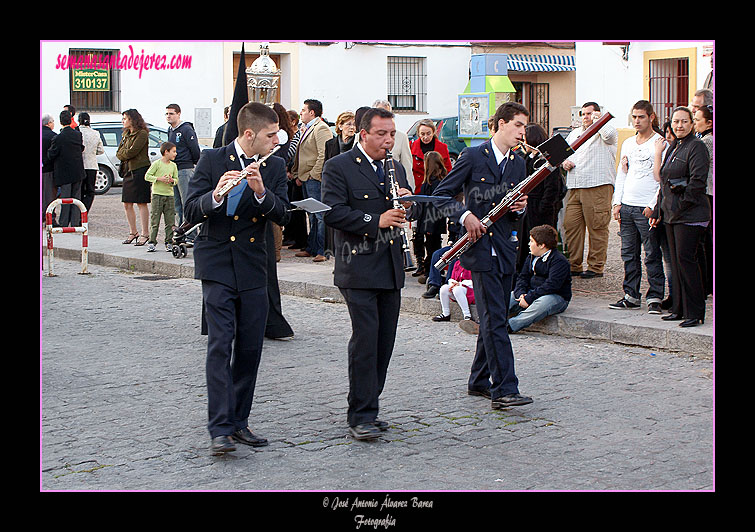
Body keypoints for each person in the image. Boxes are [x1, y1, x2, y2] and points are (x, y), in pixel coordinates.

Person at [183, 101, 289, 455]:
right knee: (220, 343)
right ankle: (220, 428)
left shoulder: (274, 165)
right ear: (249, 134)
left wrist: (261, 193)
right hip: (216, 263)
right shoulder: (213, 159)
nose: (276, 140)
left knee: (249, 347)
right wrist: (215, 195)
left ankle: (239, 421)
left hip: (253, 266)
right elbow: (191, 208)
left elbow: (284, 214)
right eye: (270, 135)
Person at [432, 101, 533, 409]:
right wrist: (465, 217)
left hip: (505, 249)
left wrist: (521, 208)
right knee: (494, 321)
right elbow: (441, 195)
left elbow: (515, 212)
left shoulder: (518, 162)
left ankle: (478, 380)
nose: (521, 132)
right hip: (479, 249)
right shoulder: (474, 156)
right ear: (501, 124)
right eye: (517, 125)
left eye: (524, 127)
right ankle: (504, 388)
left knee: (495, 317)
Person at [321, 107, 412, 441]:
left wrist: (407, 203)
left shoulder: (395, 167)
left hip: (389, 266)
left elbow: (403, 209)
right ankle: (360, 414)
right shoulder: (339, 166)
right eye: (381, 134)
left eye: (391, 134)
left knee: (384, 340)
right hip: (357, 266)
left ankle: (370, 403)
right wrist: (375, 222)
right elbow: (332, 212)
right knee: (366, 338)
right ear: (363, 134)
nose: (388, 141)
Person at [650, 107, 710, 328]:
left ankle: (695, 312)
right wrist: (659, 210)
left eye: (684, 122)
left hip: (690, 215)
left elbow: (697, 184)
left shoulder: (697, 147)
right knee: (675, 263)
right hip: (671, 215)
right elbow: (664, 182)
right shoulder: (675, 145)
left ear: (692, 124)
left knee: (687, 262)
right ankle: (679, 309)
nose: (679, 126)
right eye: (676, 122)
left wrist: (679, 206)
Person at [609, 100, 665, 314]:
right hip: (628, 205)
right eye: (634, 117)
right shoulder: (628, 143)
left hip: (646, 206)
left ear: (651, 117)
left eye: (641, 117)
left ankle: (655, 296)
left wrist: (653, 205)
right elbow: (622, 174)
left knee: (651, 253)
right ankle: (631, 294)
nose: (637, 121)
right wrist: (617, 202)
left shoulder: (660, 143)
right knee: (629, 254)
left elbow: (662, 180)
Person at [562, 102, 617, 278]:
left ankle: (595, 266)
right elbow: (564, 154)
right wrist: (564, 163)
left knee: (597, 227)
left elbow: (609, 136)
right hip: (575, 185)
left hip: (598, 185)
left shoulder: (606, 130)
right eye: (583, 114)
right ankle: (573, 264)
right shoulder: (574, 134)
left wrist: (599, 122)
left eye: (590, 114)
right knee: (571, 226)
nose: (586, 117)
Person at [508, 224, 571, 333]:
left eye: (531, 241)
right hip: (531, 292)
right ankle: (490, 321)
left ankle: (510, 326)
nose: (529, 244)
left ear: (542, 245)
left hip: (556, 296)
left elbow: (551, 285)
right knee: (508, 298)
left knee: (542, 304)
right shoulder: (531, 256)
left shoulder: (559, 261)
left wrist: (529, 298)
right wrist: (521, 293)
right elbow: (523, 277)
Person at [410, 119, 453, 276]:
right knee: (418, 231)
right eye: (422, 134)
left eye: (428, 133)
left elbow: (448, 169)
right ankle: (420, 262)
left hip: (434, 191)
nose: (425, 137)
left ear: (434, 132)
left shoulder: (442, 148)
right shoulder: (413, 146)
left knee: (433, 232)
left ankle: (432, 262)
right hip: (418, 190)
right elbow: (409, 166)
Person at [292, 98, 333, 262]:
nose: (301, 113)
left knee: (320, 215)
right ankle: (311, 247)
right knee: (311, 214)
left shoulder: (321, 128)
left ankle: (322, 250)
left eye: (303, 110)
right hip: (305, 177)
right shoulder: (306, 128)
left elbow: (323, 154)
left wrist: (313, 174)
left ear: (312, 112)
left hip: (313, 178)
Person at [324, 111, 357, 257]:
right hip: (334, 188)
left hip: (352, 187)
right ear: (340, 125)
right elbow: (326, 166)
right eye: (348, 124)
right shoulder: (330, 144)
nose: (352, 127)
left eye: (354, 124)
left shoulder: (358, 143)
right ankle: (336, 254)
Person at [117, 109, 152, 246]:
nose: (123, 121)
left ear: (132, 119)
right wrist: (124, 153)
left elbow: (132, 151)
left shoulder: (142, 133)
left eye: (125, 118)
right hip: (127, 171)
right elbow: (119, 152)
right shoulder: (126, 134)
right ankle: (133, 231)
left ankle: (145, 233)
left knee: (141, 202)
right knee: (127, 203)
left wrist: (124, 153)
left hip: (139, 170)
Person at [47, 109, 85, 227]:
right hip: (78, 171)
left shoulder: (59, 137)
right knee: (76, 198)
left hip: (64, 172)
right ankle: (75, 222)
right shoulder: (78, 135)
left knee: (65, 199)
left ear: (60, 122)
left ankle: (64, 223)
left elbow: (51, 154)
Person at [414, 150, 448, 282]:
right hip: (437, 220)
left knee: (432, 248)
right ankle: (434, 272)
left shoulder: (429, 183)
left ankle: (430, 273)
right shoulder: (442, 180)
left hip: (429, 221)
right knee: (435, 246)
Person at [166, 103, 201, 230]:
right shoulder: (170, 130)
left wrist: (194, 163)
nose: (168, 116)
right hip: (173, 170)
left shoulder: (186, 129)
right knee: (177, 204)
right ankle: (181, 231)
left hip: (184, 169)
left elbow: (194, 149)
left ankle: (191, 234)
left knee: (187, 202)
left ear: (178, 114)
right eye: (167, 114)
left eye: (171, 114)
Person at [144, 141, 179, 252]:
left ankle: (169, 241)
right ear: (166, 152)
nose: (175, 154)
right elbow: (147, 176)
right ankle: (152, 242)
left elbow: (176, 179)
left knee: (170, 221)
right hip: (157, 195)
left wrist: (172, 181)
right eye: (173, 151)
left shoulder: (173, 165)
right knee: (155, 219)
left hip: (169, 196)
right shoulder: (157, 164)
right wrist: (159, 179)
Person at [694, 104, 714, 297]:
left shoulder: (706, 142)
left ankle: (707, 283)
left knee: (705, 240)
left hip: (707, 192)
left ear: (709, 122)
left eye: (697, 119)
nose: (694, 123)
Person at [373, 100, 412, 179]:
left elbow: (407, 168)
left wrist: (409, 189)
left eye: (386, 114)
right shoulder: (362, 136)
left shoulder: (401, 137)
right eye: (379, 113)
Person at [78, 112, 104, 213]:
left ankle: (77, 213)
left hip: (80, 166)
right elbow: (101, 150)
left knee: (79, 191)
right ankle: (85, 212)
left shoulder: (77, 132)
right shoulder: (95, 133)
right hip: (92, 165)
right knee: (90, 191)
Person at [42, 114, 58, 223]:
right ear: (48, 123)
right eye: (52, 122)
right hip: (48, 169)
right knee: (49, 195)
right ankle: (48, 217)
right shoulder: (53, 136)